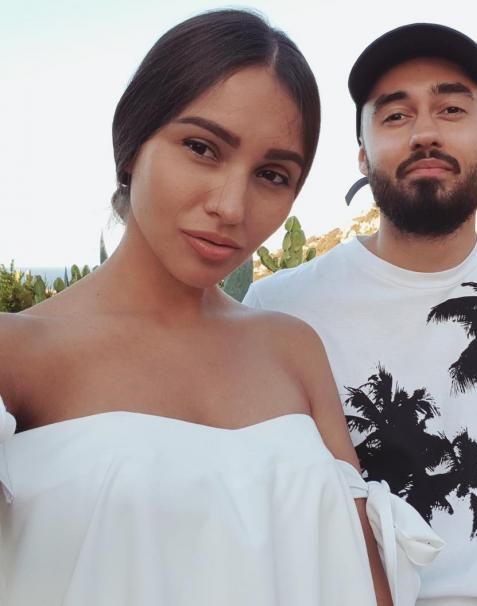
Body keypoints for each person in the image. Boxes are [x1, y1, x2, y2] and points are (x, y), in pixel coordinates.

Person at [0, 11, 444, 606]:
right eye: (201, 148)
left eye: (272, 174)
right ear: (131, 145)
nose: (232, 207)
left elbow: (364, 576)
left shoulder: (292, 348)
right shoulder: (18, 354)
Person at [244, 22, 477, 606]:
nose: (424, 133)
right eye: (395, 115)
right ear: (363, 154)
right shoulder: (276, 311)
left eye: (451, 109)